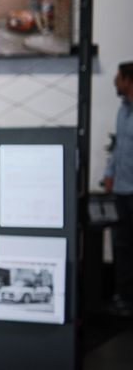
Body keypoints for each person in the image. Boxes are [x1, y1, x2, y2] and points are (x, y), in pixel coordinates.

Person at [104, 62, 133, 315]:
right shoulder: (122, 111)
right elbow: (118, 148)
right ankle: (123, 297)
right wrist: (109, 173)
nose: (115, 82)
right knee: (121, 246)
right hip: (122, 191)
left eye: (118, 77)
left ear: (129, 80)